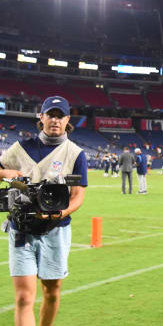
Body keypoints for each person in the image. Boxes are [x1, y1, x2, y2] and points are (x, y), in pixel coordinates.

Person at [0, 96, 88, 325]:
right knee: (23, 296)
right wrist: (5, 173)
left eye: (60, 116)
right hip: (21, 230)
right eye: (51, 115)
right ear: (42, 117)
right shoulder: (20, 148)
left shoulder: (75, 154)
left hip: (56, 230)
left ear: (68, 119)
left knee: (51, 292)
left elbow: (78, 196)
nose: (55, 120)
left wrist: (60, 213)